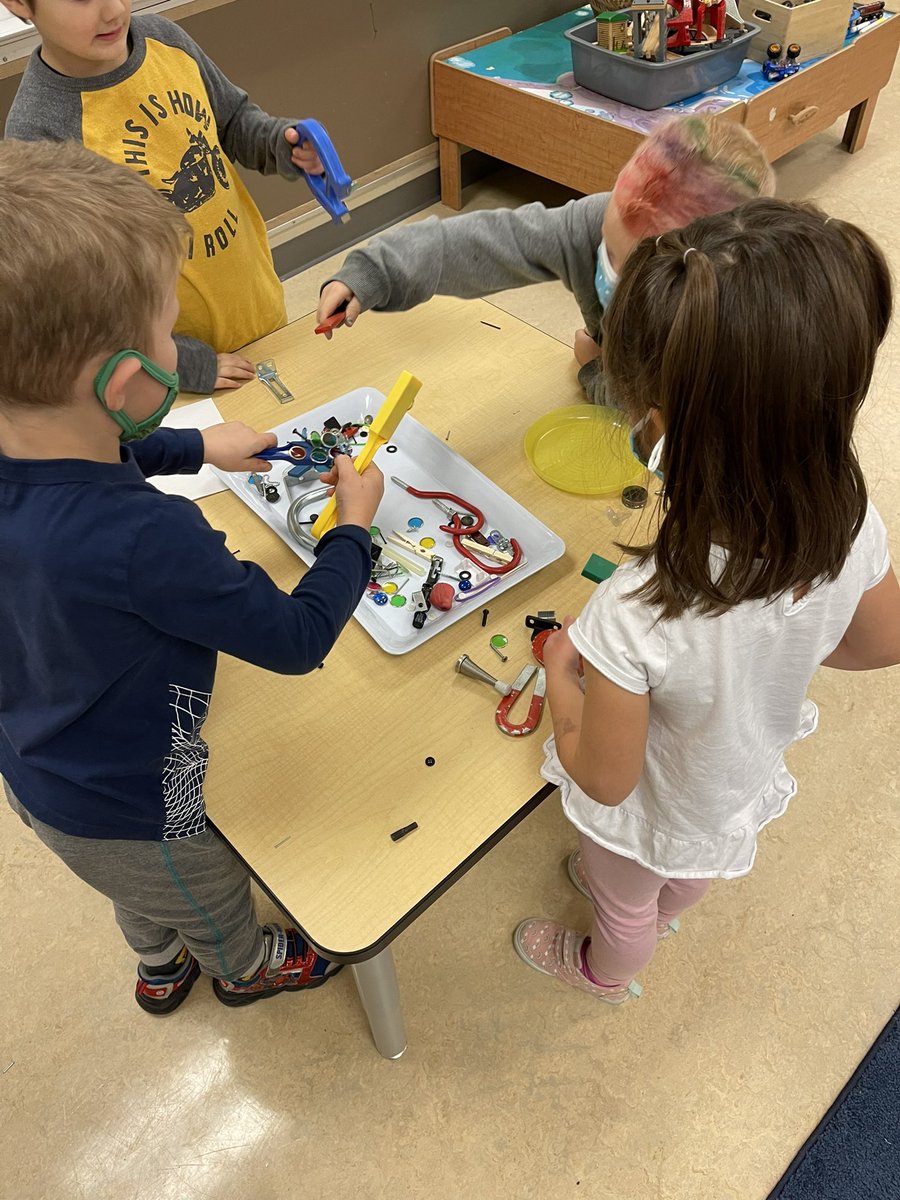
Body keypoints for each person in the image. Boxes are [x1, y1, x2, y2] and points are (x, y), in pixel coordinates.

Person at [0, 139, 384, 1013]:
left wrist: (195, 444)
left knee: (134, 892)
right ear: (129, 380)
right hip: (140, 791)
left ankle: (159, 963)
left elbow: (97, 452)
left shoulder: (30, 434)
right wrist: (352, 529)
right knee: (199, 884)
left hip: (33, 772)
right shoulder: (148, 541)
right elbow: (294, 640)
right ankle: (244, 969)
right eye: (170, 325)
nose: (178, 338)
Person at [513, 198, 900, 1004]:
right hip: (733, 784)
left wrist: (558, 675)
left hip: (658, 805)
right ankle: (669, 910)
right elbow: (880, 641)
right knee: (686, 877)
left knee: (624, 900)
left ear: (655, 429)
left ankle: (604, 970)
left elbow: (606, 781)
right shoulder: (853, 519)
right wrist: (779, 642)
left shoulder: (636, 612)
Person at [316, 116, 774, 406]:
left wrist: (597, 372)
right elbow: (481, 242)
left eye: (632, 268)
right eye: (608, 253)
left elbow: (662, 423)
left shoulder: (733, 308)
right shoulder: (597, 222)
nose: (610, 274)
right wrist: (374, 273)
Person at [4, 0, 327, 395]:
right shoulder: (36, 135)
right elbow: (82, 304)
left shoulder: (164, 37)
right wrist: (182, 364)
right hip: (169, 379)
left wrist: (284, 144)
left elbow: (234, 123)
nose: (113, 10)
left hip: (258, 308)